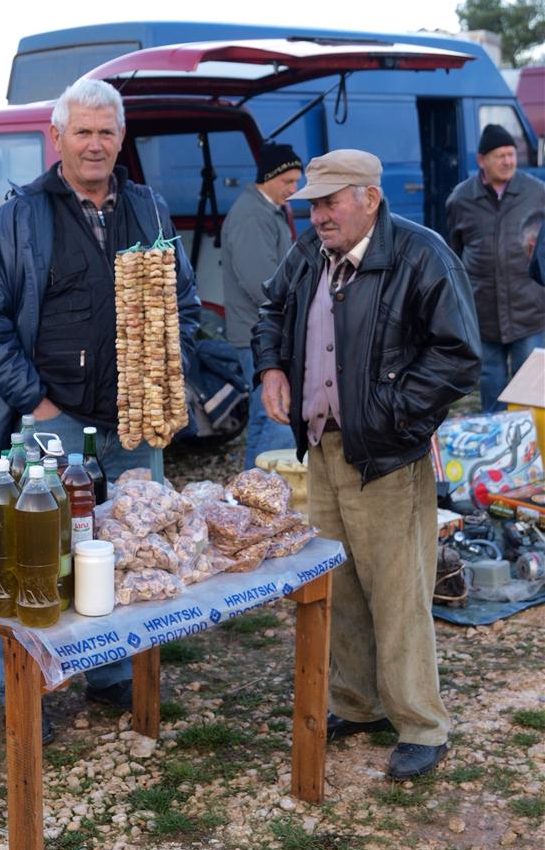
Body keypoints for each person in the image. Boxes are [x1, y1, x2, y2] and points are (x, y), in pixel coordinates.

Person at [0, 78, 200, 741]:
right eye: (83, 132)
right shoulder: (22, 217)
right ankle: (24, 682)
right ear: (58, 138)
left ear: (121, 139)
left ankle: (111, 672)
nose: (95, 145)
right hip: (52, 415)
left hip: (134, 419)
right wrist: (32, 401)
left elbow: (185, 301)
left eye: (107, 132)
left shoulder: (149, 210)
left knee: (130, 541)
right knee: (38, 547)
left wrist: (165, 373)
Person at [253, 149, 481, 781]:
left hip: (386, 457)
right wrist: (272, 367)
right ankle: (357, 704)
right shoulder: (309, 254)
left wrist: (390, 415)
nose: (318, 215)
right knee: (342, 584)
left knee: (399, 592)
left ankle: (422, 725)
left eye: (330, 202)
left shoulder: (422, 254)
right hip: (324, 450)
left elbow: (458, 356)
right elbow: (270, 311)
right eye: (313, 204)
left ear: (370, 198)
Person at [446, 124, 545, 412]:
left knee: (532, 380)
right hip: (483, 309)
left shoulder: (537, 193)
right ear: (481, 161)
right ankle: (495, 441)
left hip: (529, 307)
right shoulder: (461, 198)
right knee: (491, 377)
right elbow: (456, 251)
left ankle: (534, 442)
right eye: (500, 155)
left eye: (511, 154)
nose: (508, 161)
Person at [221, 143, 302, 468]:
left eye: (298, 182)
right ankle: (270, 491)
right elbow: (263, 284)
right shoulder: (251, 216)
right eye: (288, 181)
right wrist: (300, 315)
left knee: (261, 416)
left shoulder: (268, 209)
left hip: (262, 330)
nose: (294, 189)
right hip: (260, 333)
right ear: (270, 176)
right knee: (278, 413)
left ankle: (249, 494)